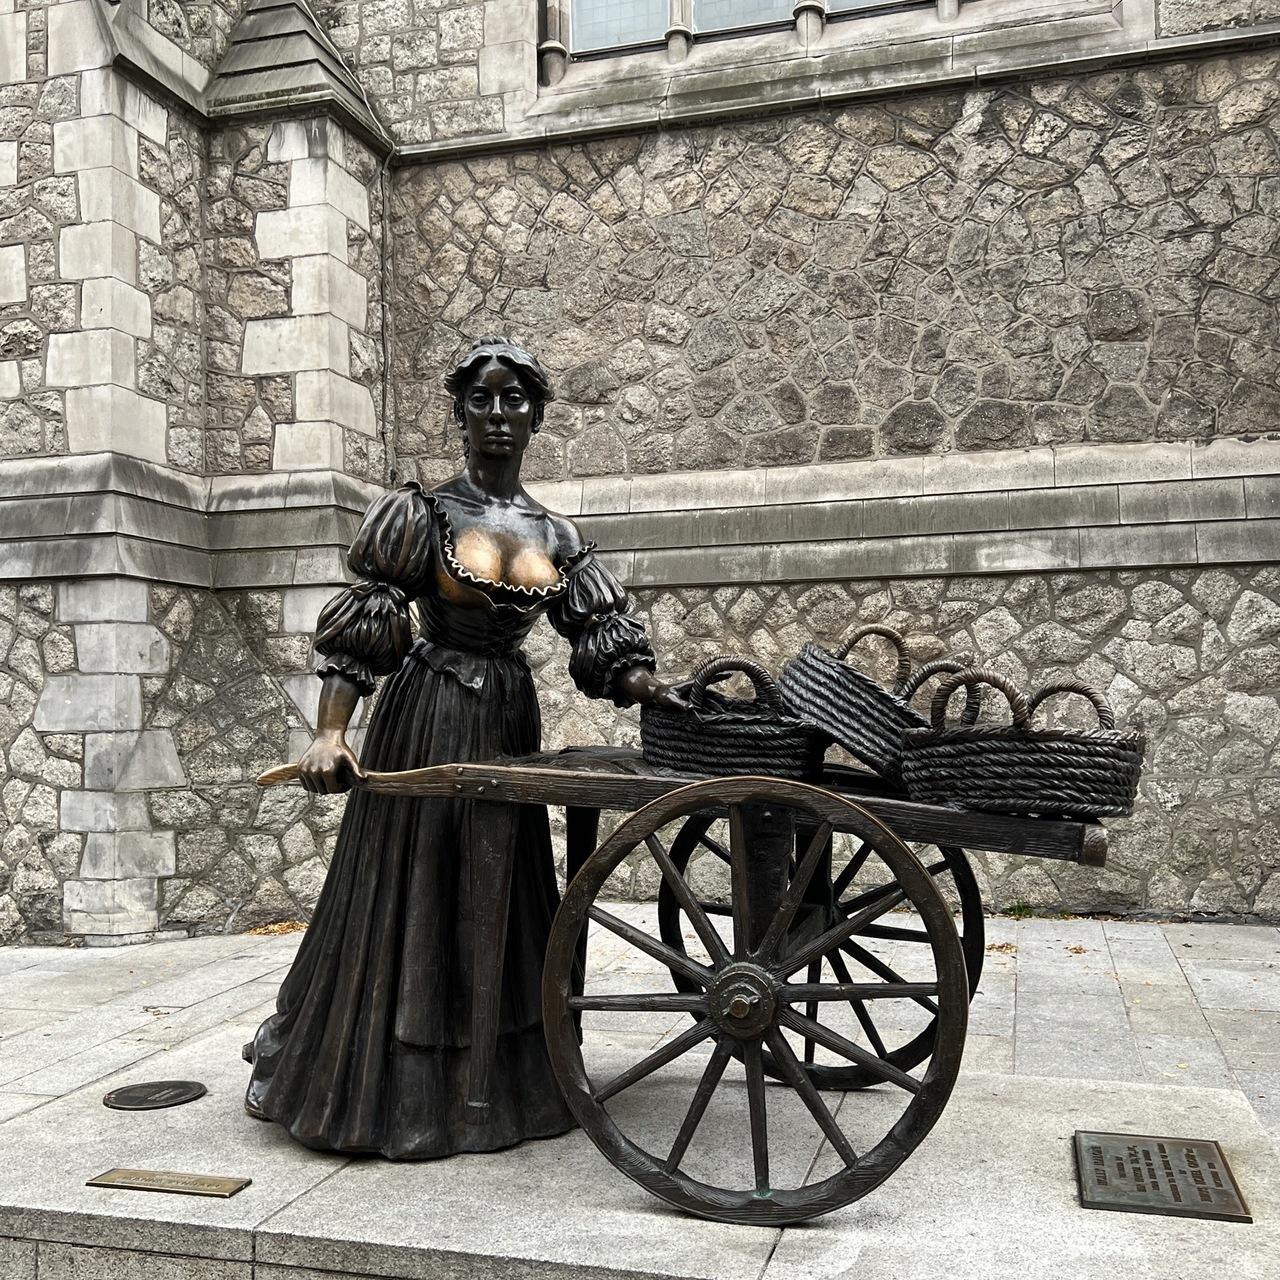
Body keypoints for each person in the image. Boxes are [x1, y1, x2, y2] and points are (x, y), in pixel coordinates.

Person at [244, 336, 686, 1158]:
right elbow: (365, 626)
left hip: (509, 718)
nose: (497, 413)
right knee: (417, 883)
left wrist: (650, 687)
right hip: (429, 711)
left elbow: (598, 638)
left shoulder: (556, 532)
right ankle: (396, 1088)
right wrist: (331, 731)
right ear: (460, 413)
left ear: (537, 416)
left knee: (500, 885)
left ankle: (505, 1079)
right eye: (481, 398)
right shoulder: (421, 513)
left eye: (514, 399)